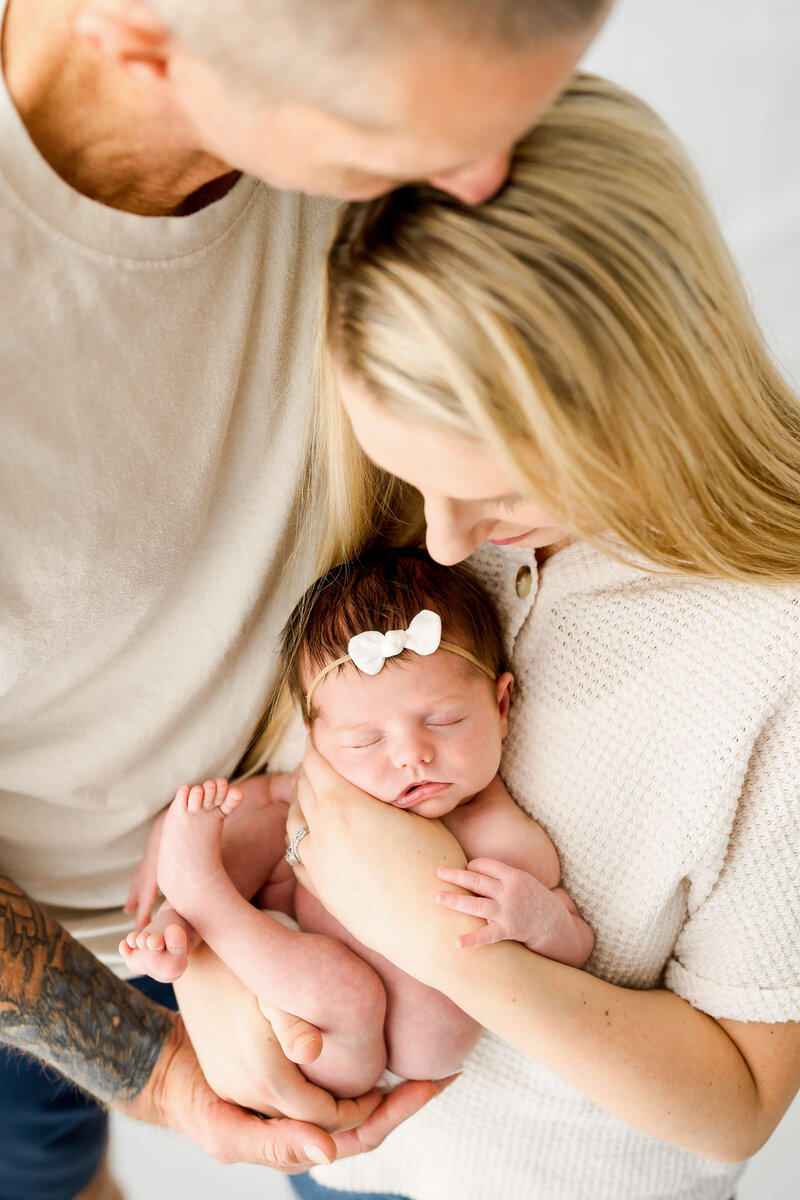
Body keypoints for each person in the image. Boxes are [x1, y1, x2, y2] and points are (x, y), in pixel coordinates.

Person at [0, 0, 611, 1195]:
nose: (483, 178)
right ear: (136, 29)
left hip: (340, 867)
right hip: (39, 946)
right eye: (389, 125)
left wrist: (272, 890)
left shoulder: (389, 85)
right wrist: (158, 1063)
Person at [182, 73, 800, 1200]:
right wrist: (216, 987)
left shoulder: (771, 655)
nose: (446, 539)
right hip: (350, 1170)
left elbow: (735, 1110)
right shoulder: (417, 527)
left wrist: (425, 932)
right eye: (415, 476)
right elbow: (283, 794)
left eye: (502, 493)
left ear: (661, 374)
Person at [120, 552, 594, 1097]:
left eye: (444, 721)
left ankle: (207, 903)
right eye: (366, 740)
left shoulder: (504, 839)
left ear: (502, 704)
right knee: (275, 820)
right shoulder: (335, 784)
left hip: (358, 1056)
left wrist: (537, 919)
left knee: (350, 992)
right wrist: (207, 810)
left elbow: (575, 945)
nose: (411, 756)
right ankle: (182, 919)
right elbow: (275, 789)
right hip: (283, 956)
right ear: (316, 739)